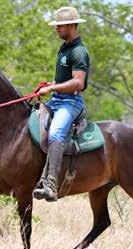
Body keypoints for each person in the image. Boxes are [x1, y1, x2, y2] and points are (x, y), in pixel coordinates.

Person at [32, 6, 90, 201]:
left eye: (60, 26)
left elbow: (78, 83)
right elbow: (66, 79)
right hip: (57, 100)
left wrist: (51, 89)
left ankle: (51, 184)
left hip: (71, 102)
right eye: (56, 25)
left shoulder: (79, 51)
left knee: (56, 133)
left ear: (72, 25)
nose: (56, 29)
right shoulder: (64, 48)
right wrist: (52, 84)